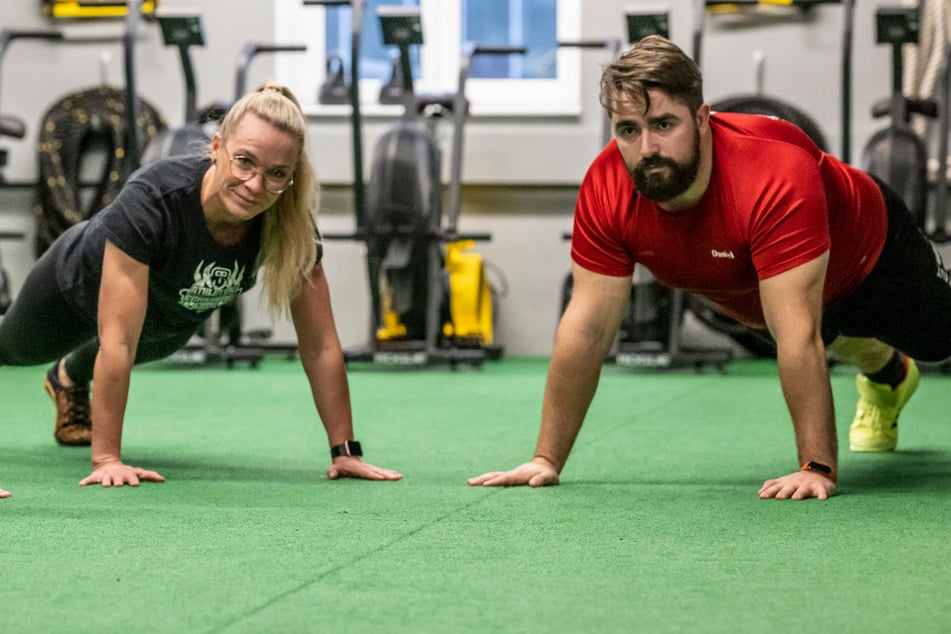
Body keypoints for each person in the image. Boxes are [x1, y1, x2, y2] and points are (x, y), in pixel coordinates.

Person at [468, 35, 951, 501]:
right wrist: (545, 459)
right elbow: (588, 326)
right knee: (828, 332)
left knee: (934, 341)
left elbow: (798, 336)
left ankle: (898, 366)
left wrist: (817, 468)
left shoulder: (770, 172)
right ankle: (890, 379)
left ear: (701, 118)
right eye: (628, 130)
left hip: (872, 252)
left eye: (663, 124)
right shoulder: (606, 186)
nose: (647, 148)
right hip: (761, 290)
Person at [0, 82, 401, 499]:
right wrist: (107, 460)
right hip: (73, 288)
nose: (254, 185)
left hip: (167, 320)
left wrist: (345, 451)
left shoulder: (290, 224)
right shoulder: (155, 197)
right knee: (13, 348)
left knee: (142, 340)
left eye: (276, 174)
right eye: (244, 162)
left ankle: (67, 377)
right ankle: (60, 369)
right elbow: (117, 340)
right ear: (216, 147)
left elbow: (319, 344)